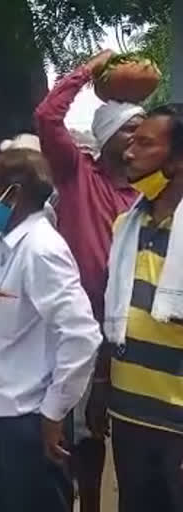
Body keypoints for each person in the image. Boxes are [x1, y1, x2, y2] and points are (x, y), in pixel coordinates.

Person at [35, 50, 143, 512]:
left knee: (127, 433)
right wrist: (87, 70)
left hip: (134, 332)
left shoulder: (149, 193)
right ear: (108, 139)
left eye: (143, 131)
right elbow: (46, 115)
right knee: (77, 434)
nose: (139, 140)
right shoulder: (78, 175)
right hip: (78, 330)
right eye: (130, 131)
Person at [0, 148, 102, 512]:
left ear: (12, 194)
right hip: (4, 413)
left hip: (31, 419)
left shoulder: (41, 250)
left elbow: (81, 334)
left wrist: (54, 411)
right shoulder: (9, 246)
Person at [103, 104, 183, 511]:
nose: (129, 153)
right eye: (130, 142)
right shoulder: (126, 225)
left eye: (145, 143)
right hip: (131, 416)